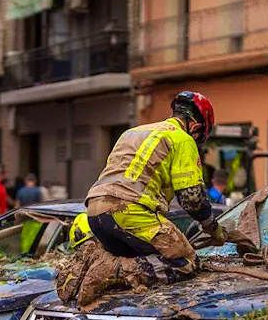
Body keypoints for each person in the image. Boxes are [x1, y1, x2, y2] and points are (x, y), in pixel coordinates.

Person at [83, 91, 228, 283]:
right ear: (195, 126)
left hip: (95, 211)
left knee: (142, 264)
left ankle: (96, 273)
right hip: (130, 211)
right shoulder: (183, 139)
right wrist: (213, 228)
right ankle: (107, 271)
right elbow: (193, 199)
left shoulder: (132, 132)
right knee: (185, 263)